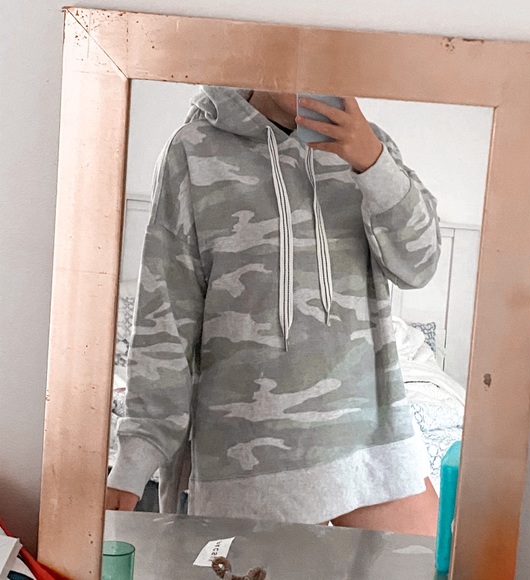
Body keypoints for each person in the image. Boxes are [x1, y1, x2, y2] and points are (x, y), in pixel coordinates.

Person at [106, 85, 441, 535]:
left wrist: (372, 160)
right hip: (248, 463)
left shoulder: (369, 144)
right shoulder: (193, 151)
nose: (312, 74)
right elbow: (165, 322)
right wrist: (135, 459)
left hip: (371, 446)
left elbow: (419, 266)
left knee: (432, 562)